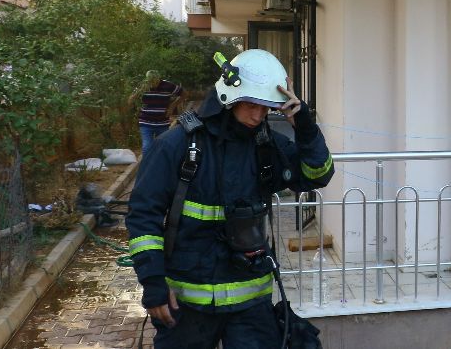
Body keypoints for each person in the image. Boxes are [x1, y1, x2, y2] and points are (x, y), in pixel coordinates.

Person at [126, 49, 334, 348]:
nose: (258, 116)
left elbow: (318, 174)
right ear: (229, 96)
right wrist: (153, 282)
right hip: (188, 304)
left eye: (266, 108)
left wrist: (304, 124)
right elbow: (142, 216)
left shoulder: (266, 146)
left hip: (251, 307)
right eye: (251, 104)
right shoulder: (178, 145)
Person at [130, 70, 183, 159]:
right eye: (150, 81)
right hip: (146, 122)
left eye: (155, 81)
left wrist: (172, 106)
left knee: (163, 146)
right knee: (147, 146)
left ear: (159, 79)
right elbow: (130, 100)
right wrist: (137, 93)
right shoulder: (143, 85)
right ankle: (147, 166)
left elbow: (184, 94)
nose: (153, 83)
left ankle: (161, 165)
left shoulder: (168, 85)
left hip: (162, 122)